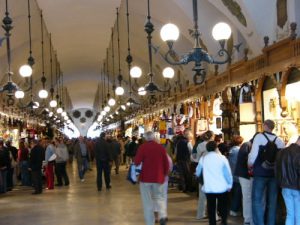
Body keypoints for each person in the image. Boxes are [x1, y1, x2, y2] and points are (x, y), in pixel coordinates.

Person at [248, 119, 285, 225]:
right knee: (272, 202)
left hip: (260, 173)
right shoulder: (280, 140)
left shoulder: (259, 137)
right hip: (273, 174)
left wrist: (250, 165)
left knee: (257, 201)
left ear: (264, 126)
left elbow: (253, 156)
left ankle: (259, 223)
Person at [134, 131, 170, 225]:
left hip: (145, 179)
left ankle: (150, 222)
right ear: (154, 138)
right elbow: (166, 163)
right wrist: (164, 174)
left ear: (145, 139)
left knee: (147, 202)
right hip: (158, 177)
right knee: (160, 198)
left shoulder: (142, 147)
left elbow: (137, 162)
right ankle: (162, 215)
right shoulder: (161, 148)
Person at [195, 141, 233, 225]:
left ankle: (212, 223)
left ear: (207, 149)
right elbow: (228, 173)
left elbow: (197, 172)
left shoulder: (203, 158)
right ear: (216, 148)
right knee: (223, 206)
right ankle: (224, 221)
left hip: (209, 187)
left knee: (211, 207)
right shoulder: (222, 158)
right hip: (222, 187)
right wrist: (229, 184)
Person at [275, 136, 300, 225]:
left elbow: (276, 169)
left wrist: (280, 183)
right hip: (297, 187)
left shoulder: (282, 152)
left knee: (290, 214)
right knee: (298, 214)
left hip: (284, 187)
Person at [234, 134, 258, 225]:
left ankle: (248, 218)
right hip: (245, 175)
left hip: (246, 175)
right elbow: (245, 161)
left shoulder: (248, 145)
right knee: (247, 197)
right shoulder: (247, 145)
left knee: (247, 197)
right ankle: (247, 219)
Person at [228, 135, 243, 216]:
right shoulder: (239, 151)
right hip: (237, 174)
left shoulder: (231, 150)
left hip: (231, 174)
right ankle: (233, 209)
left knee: (233, 193)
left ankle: (232, 208)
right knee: (237, 193)